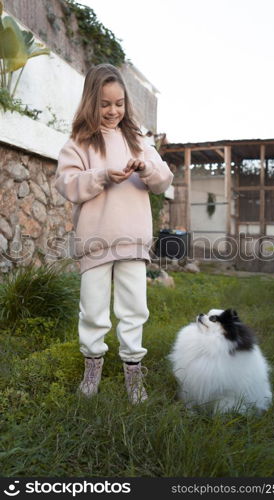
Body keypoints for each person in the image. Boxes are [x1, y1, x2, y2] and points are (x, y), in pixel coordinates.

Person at [54, 63, 173, 404]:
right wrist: (103, 174)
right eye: (105, 104)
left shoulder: (138, 141)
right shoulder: (78, 143)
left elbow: (163, 179)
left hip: (133, 241)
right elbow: (68, 184)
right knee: (93, 309)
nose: (113, 111)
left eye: (119, 103)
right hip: (95, 241)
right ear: (92, 102)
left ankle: (133, 371)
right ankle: (92, 367)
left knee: (134, 307)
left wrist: (145, 167)